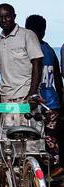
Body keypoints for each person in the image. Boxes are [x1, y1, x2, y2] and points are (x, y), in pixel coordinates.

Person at [23, 15, 61, 175]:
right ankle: (53, 168)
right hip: (53, 102)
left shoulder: (30, 51)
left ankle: (42, 170)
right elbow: (58, 78)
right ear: (44, 32)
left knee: (35, 138)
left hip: (39, 101)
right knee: (51, 138)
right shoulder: (50, 49)